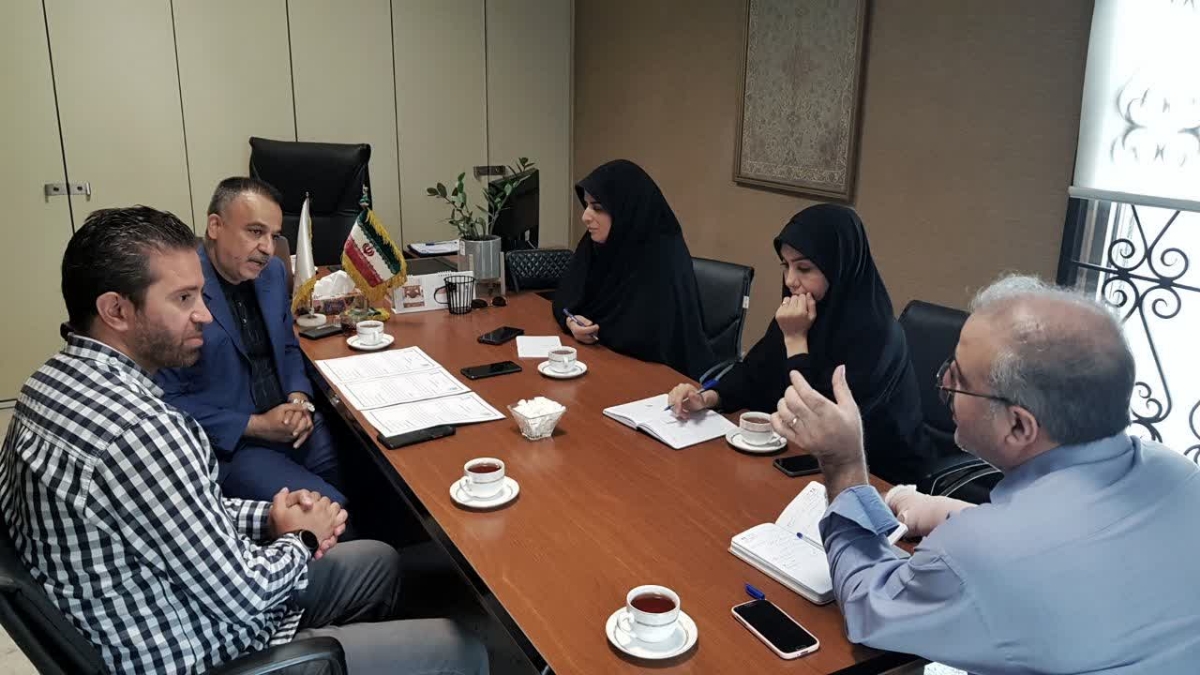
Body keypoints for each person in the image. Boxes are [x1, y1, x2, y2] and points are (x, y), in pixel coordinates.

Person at [0, 206, 487, 674]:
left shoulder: (46, 384)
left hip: (176, 602)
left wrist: (269, 515)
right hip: (212, 651)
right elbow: (246, 595)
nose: (204, 315)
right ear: (116, 311)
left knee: (376, 560)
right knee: (460, 648)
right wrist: (301, 536)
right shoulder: (141, 432)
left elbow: (174, 509)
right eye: (183, 299)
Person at [770, 274, 1200, 674]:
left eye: (957, 378)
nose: (943, 382)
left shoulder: (984, 554)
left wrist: (844, 463)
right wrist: (952, 512)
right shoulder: (1179, 474)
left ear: (1019, 426)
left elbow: (869, 606)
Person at [668, 204, 933, 483]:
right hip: (803, 464)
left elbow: (817, 426)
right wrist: (707, 398)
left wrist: (796, 340)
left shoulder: (878, 336)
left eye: (804, 268)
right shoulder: (807, 310)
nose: (790, 280)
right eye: (786, 265)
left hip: (878, 479)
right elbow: (753, 374)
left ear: (839, 267)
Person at [156, 177, 348, 506]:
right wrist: (255, 425)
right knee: (326, 508)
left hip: (291, 422)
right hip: (233, 444)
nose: (268, 249)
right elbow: (166, 401)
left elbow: (288, 348)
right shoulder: (180, 290)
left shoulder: (272, 273)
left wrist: (300, 400)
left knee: (367, 475)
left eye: (274, 236)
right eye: (255, 232)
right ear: (215, 226)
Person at [552, 159, 716, 379]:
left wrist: (595, 330)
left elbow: (647, 337)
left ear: (625, 209)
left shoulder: (662, 255)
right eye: (587, 205)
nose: (585, 216)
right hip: (604, 363)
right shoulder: (600, 243)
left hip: (657, 378)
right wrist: (571, 322)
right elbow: (566, 295)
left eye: (597, 208)